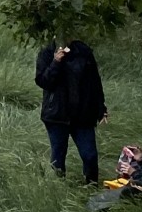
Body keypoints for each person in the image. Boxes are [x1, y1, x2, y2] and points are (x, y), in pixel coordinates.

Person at [35, 37, 106, 183]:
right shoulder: (48, 51)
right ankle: (59, 189)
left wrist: (101, 107)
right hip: (56, 115)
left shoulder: (84, 51)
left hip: (83, 115)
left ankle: (91, 187)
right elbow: (43, 81)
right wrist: (56, 62)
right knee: (58, 157)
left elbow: (95, 82)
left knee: (90, 155)